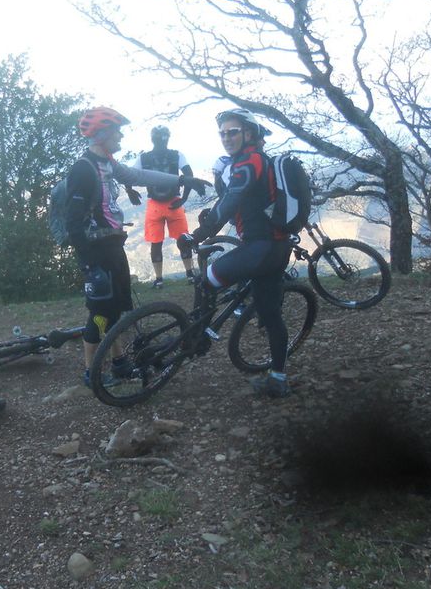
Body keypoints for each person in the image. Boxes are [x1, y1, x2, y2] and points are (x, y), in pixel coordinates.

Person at [65, 107, 209, 387]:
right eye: (117, 131)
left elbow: (138, 177)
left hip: (112, 245)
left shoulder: (106, 162)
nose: (121, 135)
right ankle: (90, 372)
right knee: (100, 313)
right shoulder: (83, 169)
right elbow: (73, 222)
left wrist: (181, 180)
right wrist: (87, 263)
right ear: (103, 133)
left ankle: (119, 364)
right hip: (96, 252)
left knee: (116, 309)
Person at [177, 108, 293, 398]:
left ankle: (200, 337)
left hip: (260, 248)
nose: (227, 138)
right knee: (271, 314)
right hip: (277, 249)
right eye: (223, 133)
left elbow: (232, 200)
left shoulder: (247, 162)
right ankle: (278, 378)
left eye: (233, 132)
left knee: (207, 281)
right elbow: (235, 200)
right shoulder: (258, 160)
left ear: (249, 134)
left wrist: (197, 235)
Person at [128, 125, 198, 289]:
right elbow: (189, 175)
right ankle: (190, 275)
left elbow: (129, 175)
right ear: (169, 138)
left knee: (156, 242)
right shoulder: (176, 155)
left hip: (155, 204)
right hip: (174, 201)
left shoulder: (143, 158)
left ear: (152, 139)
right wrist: (184, 198)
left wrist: (130, 190)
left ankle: (159, 280)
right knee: (183, 239)